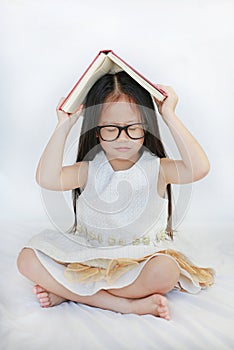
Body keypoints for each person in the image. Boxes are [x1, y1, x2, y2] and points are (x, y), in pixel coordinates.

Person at [17, 71, 214, 321]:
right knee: (26, 258)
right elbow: (47, 178)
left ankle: (69, 291)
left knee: (166, 271)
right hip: (90, 254)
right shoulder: (89, 169)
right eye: (111, 128)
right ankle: (123, 305)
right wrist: (64, 125)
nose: (123, 138)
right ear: (96, 131)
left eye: (133, 128)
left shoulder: (158, 168)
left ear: (146, 129)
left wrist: (168, 114)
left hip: (139, 259)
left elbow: (200, 168)